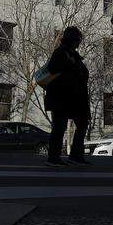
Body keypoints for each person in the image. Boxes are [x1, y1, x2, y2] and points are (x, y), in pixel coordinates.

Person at [43, 26, 91, 167]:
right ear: (71, 40)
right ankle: (53, 157)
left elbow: (83, 72)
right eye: (77, 40)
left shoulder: (74, 55)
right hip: (62, 97)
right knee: (60, 126)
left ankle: (75, 156)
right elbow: (53, 69)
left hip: (75, 97)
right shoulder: (60, 53)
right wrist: (71, 68)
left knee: (82, 123)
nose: (78, 43)